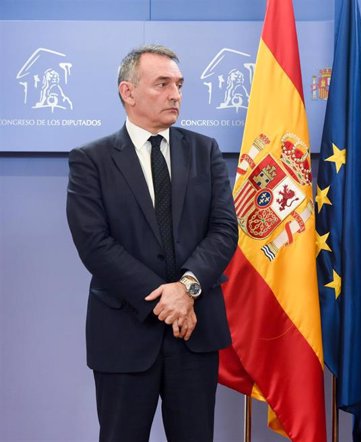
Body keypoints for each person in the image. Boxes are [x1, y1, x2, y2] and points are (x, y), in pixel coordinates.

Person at [66, 44, 238, 441]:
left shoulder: (204, 150)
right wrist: (166, 299)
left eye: (178, 84)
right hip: (124, 334)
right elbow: (94, 243)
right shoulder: (90, 160)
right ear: (128, 92)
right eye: (162, 84)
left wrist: (188, 288)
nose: (175, 94)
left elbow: (225, 228)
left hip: (194, 333)